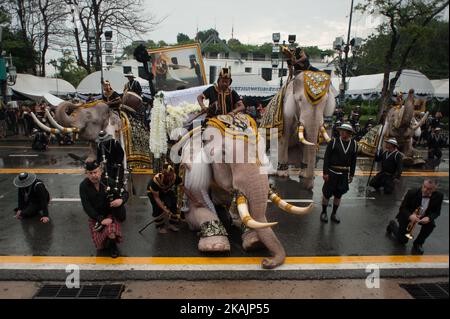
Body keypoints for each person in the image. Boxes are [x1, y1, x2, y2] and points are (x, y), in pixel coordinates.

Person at [79, 161, 128, 258]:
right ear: (86, 174)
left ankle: (113, 247)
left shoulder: (108, 182)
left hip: (110, 214)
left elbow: (125, 193)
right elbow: (86, 206)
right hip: (96, 216)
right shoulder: (83, 186)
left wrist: (121, 200)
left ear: (100, 171)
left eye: (95, 172)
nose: (93, 175)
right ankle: (107, 241)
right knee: (100, 246)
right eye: (90, 173)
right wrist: (100, 219)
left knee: (111, 230)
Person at [386, 179, 443, 255]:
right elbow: (402, 208)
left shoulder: (439, 195)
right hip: (408, 215)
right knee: (402, 241)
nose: (425, 190)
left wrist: (429, 218)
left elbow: (436, 212)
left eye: (429, 189)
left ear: (435, 188)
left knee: (431, 225)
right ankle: (392, 225)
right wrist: (410, 216)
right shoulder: (412, 192)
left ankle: (418, 243)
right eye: (424, 187)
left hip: (424, 216)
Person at [321, 123, 358, 224]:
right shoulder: (333, 142)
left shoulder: (354, 144)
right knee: (326, 194)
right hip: (332, 172)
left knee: (338, 195)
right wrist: (325, 173)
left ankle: (334, 213)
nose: (341, 132)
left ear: (350, 133)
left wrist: (351, 174)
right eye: (341, 130)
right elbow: (326, 158)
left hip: (344, 174)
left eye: (344, 130)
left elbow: (354, 161)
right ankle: (323, 212)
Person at [147, 163, 182, 234]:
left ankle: (172, 224)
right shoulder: (155, 180)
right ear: (164, 175)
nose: (170, 178)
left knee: (173, 202)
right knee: (157, 207)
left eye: (172, 175)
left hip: (166, 190)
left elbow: (183, 186)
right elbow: (157, 198)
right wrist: (165, 209)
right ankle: (160, 226)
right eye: (168, 176)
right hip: (153, 193)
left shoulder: (175, 177)